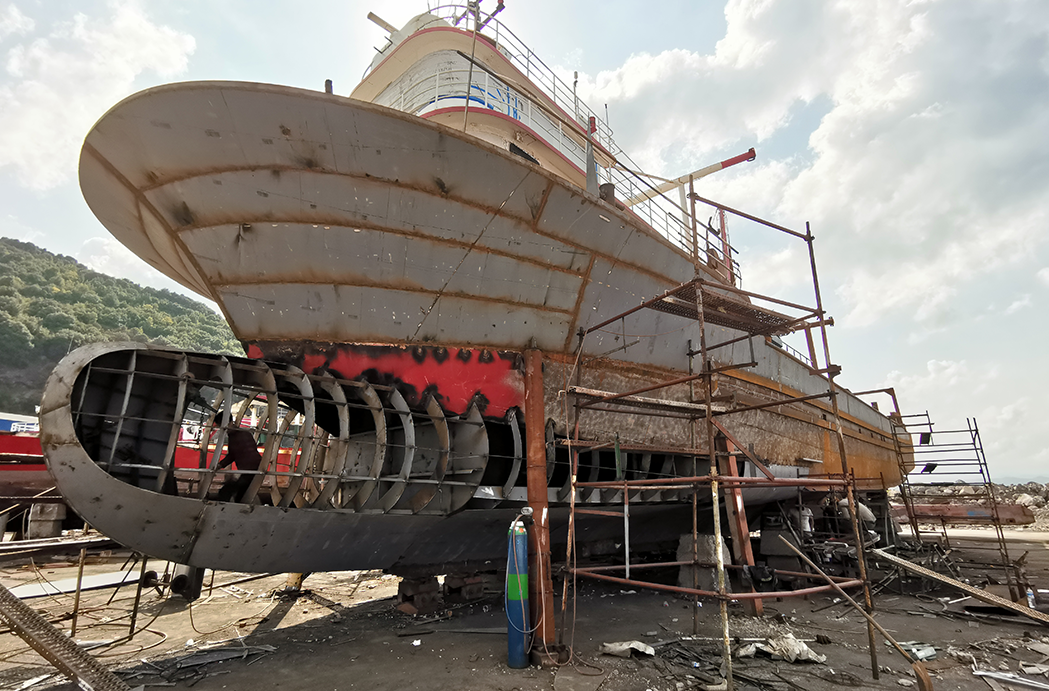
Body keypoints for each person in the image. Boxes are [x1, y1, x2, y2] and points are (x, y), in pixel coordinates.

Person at [215, 427, 262, 502]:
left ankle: (225, 505)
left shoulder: (234, 437)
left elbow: (232, 455)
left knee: (229, 491)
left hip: (248, 469)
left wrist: (220, 465)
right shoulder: (245, 433)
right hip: (255, 468)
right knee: (242, 491)